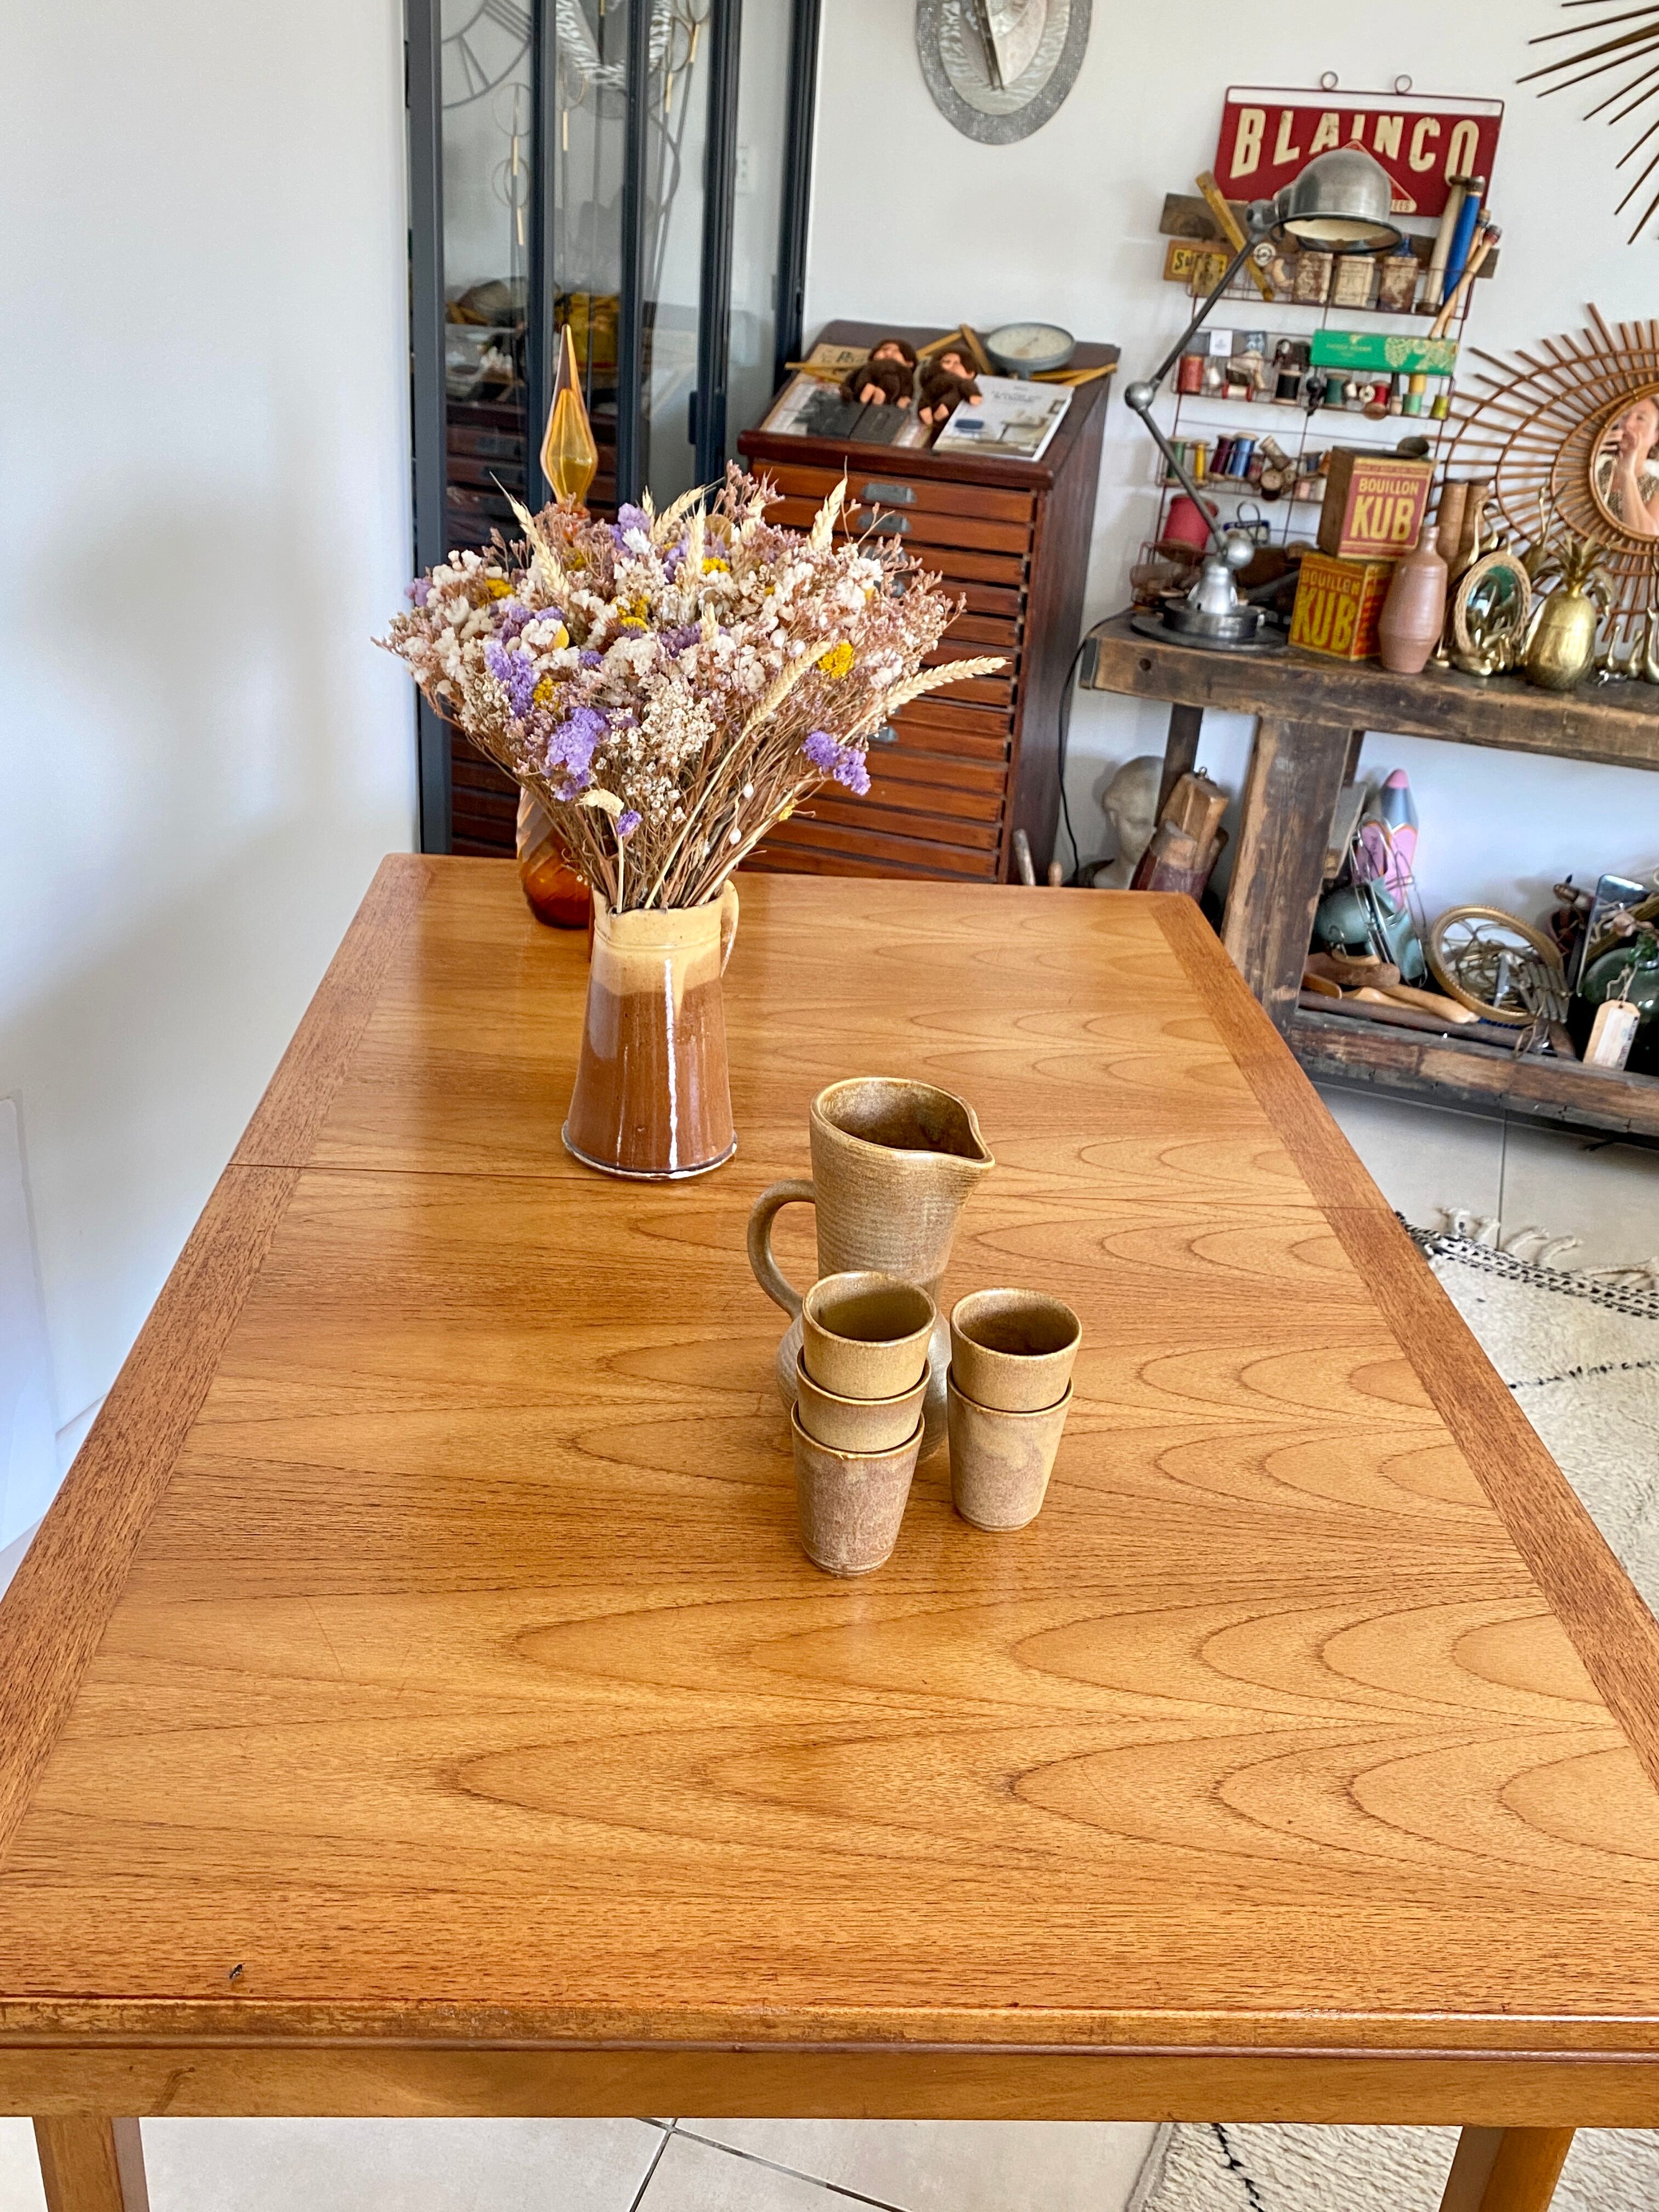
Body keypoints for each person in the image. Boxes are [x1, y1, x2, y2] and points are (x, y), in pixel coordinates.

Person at [1596, 396, 1659, 535]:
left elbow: (1647, 542)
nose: (1628, 424)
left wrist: (1627, 474)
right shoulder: (1597, 468)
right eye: (1625, 416)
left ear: (1656, 436)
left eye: (1640, 418)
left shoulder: (1656, 489)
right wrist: (1593, 452)